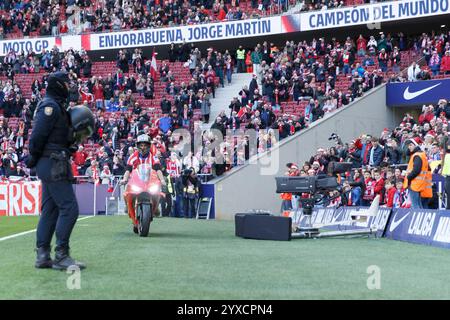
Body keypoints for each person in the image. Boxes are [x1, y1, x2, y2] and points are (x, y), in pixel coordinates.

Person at [26, 71, 94, 270]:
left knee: (50, 209)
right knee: (69, 208)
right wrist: (33, 157)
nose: (69, 86)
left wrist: (68, 144)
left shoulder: (55, 106)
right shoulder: (50, 106)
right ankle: (61, 255)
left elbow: (53, 137)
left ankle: (43, 255)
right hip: (53, 163)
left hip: (51, 162)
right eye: (66, 83)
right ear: (58, 84)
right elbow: (37, 136)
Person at [121, 134, 165, 232]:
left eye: (145, 145)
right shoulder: (133, 156)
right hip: (136, 181)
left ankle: (156, 207)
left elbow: (158, 169)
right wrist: (124, 179)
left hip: (150, 181)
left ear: (149, 146)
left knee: (157, 192)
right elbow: (128, 170)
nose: (143, 147)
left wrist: (162, 180)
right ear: (138, 146)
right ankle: (127, 205)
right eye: (141, 145)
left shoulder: (153, 157)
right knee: (126, 192)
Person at [403, 138, 433, 209]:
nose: (409, 147)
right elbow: (407, 153)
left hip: (414, 183)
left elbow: (416, 170)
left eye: (410, 145)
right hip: (418, 183)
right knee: (419, 205)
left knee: (415, 206)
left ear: (415, 145)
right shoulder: (420, 154)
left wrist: (408, 177)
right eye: (408, 146)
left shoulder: (417, 155)